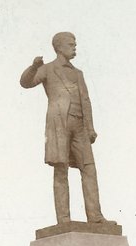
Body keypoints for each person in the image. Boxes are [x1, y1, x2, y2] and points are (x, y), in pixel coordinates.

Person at [19, 32, 109, 225]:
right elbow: (25, 83)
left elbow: (86, 100)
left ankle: (95, 216)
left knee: (89, 169)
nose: (75, 47)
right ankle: (64, 220)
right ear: (59, 47)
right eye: (71, 44)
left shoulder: (78, 74)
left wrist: (91, 127)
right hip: (59, 125)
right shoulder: (47, 69)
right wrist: (34, 66)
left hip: (80, 126)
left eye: (75, 44)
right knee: (61, 169)